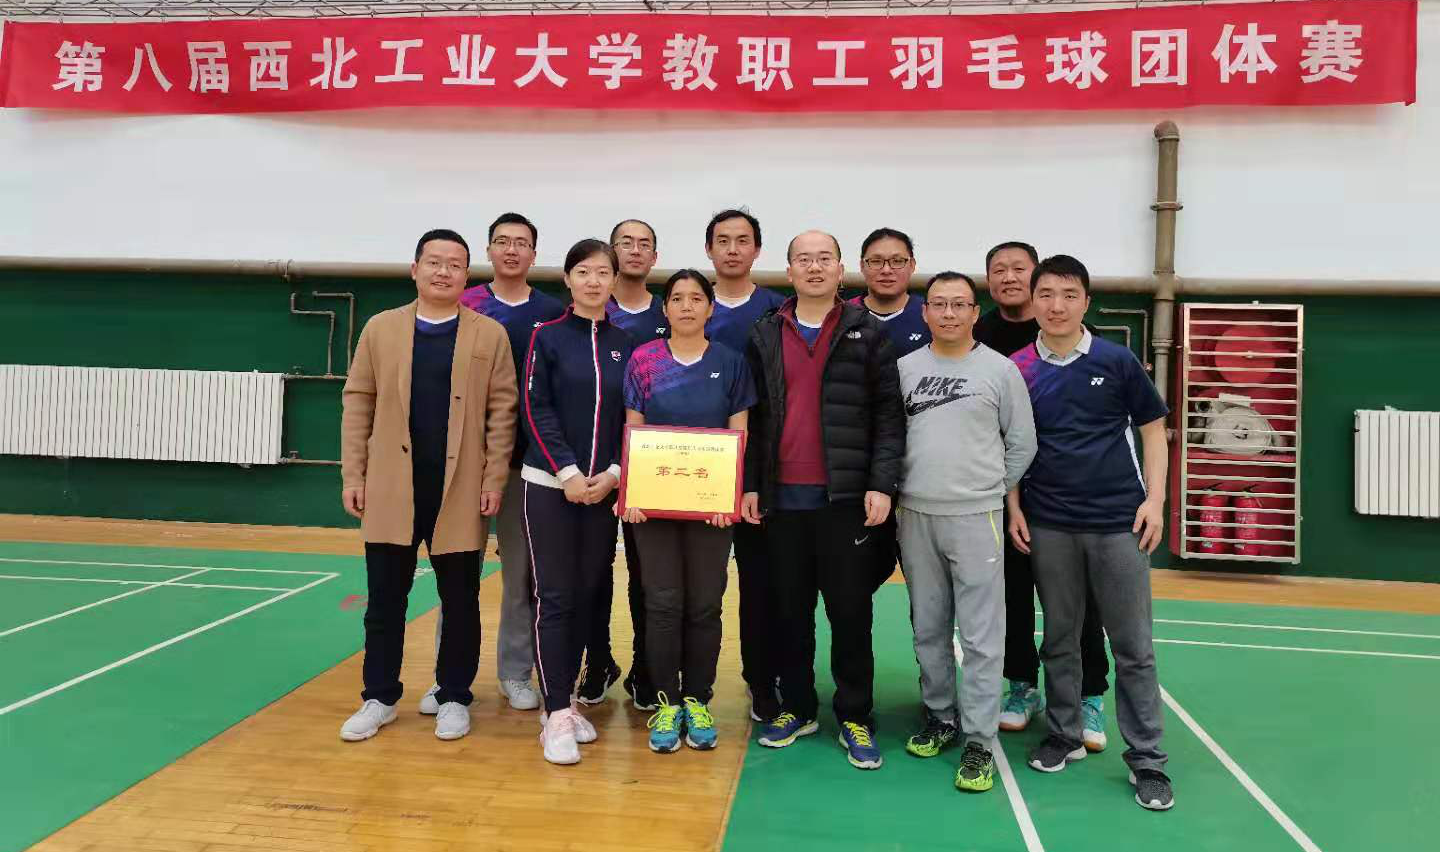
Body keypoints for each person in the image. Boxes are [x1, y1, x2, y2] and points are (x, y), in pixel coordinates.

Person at [339, 228, 517, 743]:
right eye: (434, 262)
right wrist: (354, 474)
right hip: (390, 487)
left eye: (455, 264)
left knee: (460, 600)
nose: (444, 272)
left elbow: (502, 412)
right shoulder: (381, 328)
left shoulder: (489, 335)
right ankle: (379, 697)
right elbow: (358, 402)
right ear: (415, 269)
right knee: (384, 600)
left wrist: (493, 478)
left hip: (460, 488)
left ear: (467, 275)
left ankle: (454, 695)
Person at [1009, 255, 1174, 811]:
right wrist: (1015, 507)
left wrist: (1155, 500)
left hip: (1118, 523)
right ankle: (1064, 733)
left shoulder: (1117, 360)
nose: (1056, 305)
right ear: (1032, 300)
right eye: (1046, 294)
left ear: (1086, 302)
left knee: (1132, 647)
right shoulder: (1017, 368)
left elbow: (1154, 430)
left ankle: (1147, 759)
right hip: (1049, 522)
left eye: (1069, 295)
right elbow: (1010, 445)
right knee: (1060, 636)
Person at [741, 230, 905, 770]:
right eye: (804, 259)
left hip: (846, 501)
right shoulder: (764, 332)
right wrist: (751, 484)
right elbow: (753, 418)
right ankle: (798, 707)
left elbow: (889, 417)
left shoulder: (869, 332)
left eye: (824, 258)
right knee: (790, 613)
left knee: (851, 613)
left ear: (840, 269)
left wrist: (881, 484)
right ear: (788, 270)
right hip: (782, 502)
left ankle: (855, 714)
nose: (814, 267)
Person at [895, 271, 1036, 793]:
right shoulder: (904, 369)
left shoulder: (1000, 370)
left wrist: (988, 489)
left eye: (959, 304)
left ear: (975, 313)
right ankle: (940, 717)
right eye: (939, 304)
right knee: (928, 626)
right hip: (915, 515)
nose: (949, 313)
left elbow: (1022, 443)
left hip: (978, 518)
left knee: (980, 635)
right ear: (925, 312)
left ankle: (979, 738)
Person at [975, 240, 1112, 751]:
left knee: (1079, 603)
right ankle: (1021, 685)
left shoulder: (1085, 345)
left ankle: (1089, 692)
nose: (1009, 277)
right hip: (1006, 493)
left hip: (1074, 498)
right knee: (1010, 595)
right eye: (999, 269)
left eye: (1019, 269)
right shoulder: (980, 335)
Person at [621, 269, 756, 753]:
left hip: (711, 510)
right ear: (665, 309)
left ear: (710, 308)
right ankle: (666, 702)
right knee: (661, 603)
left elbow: (739, 433)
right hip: (652, 509)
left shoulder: (730, 362)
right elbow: (633, 429)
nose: (686, 306)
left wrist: (728, 496)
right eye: (676, 298)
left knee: (703, 604)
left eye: (695, 298)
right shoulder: (644, 360)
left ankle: (698, 699)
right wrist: (634, 494)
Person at [445, 212, 563, 715]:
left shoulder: (553, 311)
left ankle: (516, 672)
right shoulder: (464, 303)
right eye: (502, 242)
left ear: (534, 254)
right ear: (489, 250)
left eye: (521, 243)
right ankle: (449, 679)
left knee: (521, 577)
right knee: (457, 575)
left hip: (526, 465)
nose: (511, 250)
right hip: (464, 463)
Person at [522, 238, 634, 765]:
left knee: (588, 595)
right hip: (550, 487)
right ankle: (556, 713)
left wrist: (612, 474)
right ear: (568, 279)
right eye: (583, 272)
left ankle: (563, 700)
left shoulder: (628, 344)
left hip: (603, 491)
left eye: (603, 273)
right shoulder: (545, 337)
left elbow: (633, 416)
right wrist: (566, 471)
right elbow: (535, 407)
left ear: (615, 281)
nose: (593, 281)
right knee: (555, 597)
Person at [576, 218, 668, 709]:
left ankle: (646, 666)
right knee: (592, 573)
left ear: (655, 256)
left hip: (649, 467)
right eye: (625, 244)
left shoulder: (669, 310)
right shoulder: (590, 310)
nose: (635, 251)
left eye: (644, 244)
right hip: (593, 468)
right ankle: (598, 660)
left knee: (646, 574)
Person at [701, 208, 787, 725]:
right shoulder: (691, 305)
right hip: (694, 471)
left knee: (762, 585)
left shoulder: (778, 311)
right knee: (693, 588)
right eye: (723, 240)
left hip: (760, 473)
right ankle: (675, 683)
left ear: (757, 250)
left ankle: (763, 680)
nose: (732, 249)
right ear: (709, 249)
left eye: (742, 240)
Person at [849, 227, 928, 592]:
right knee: (860, 577)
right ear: (862, 266)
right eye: (876, 261)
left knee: (927, 581)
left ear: (912, 265)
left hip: (922, 466)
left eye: (897, 261)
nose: (886, 269)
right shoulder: (842, 317)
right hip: (861, 469)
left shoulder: (932, 316)